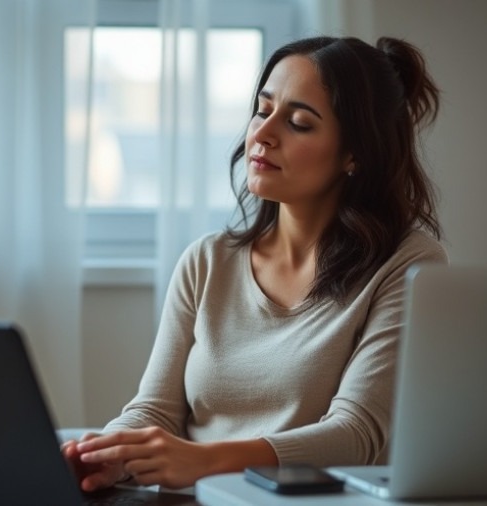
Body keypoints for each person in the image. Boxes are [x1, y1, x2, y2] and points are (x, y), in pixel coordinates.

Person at [62, 35, 448, 492]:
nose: (263, 135)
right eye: (263, 111)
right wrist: (109, 454)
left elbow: (355, 435)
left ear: (354, 153)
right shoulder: (206, 261)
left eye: (299, 123)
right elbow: (155, 411)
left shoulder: (407, 264)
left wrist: (206, 461)